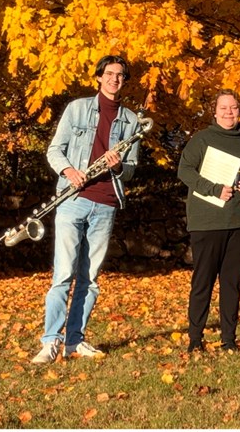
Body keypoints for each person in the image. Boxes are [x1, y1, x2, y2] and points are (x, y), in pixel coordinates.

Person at [31, 55, 143, 364]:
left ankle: (74, 341)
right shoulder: (77, 108)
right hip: (72, 200)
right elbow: (55, 149)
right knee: (63, 274)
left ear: (124, 81)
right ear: (98, 77)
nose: (114, 79)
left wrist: (120, 166)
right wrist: (69, 171)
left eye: (120, 75)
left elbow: (132, 169)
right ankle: (50, 341)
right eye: (109, 74)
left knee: (90, 278)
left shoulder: (131, 120)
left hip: (106, 204)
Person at [178, 89, 240, 353]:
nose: (229, 112)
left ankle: (229, 339)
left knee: (232, 283)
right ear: (214, 112)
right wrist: (213, 188)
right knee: (202, 281)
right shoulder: (202, 140)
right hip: (207, 221)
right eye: (224, 108)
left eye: (234, 108)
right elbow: (184, 170)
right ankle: (196, 339)